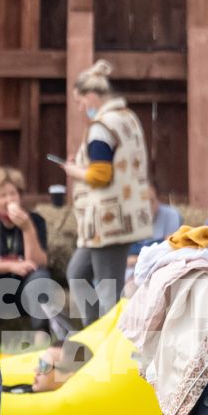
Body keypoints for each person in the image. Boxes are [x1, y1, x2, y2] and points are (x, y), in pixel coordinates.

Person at [59, 60, 154, 324]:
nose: (80, 108)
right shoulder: (128, 118)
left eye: (79, 102)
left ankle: (107, 341)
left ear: (91, 97)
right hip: (124, 215)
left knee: (108, 288)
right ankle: (93, 333)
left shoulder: (101, 127)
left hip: (108, 222)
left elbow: (101, 175)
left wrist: (74, 170)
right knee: (77, 272)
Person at [0, 166, 71, 344]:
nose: (9, 199)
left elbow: (39, 262)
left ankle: (41, 336)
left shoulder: (35, 220)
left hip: (24, 294)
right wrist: (11, 266)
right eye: (3, 195)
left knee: (40, 275)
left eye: (13, 194)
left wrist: (27, 228)